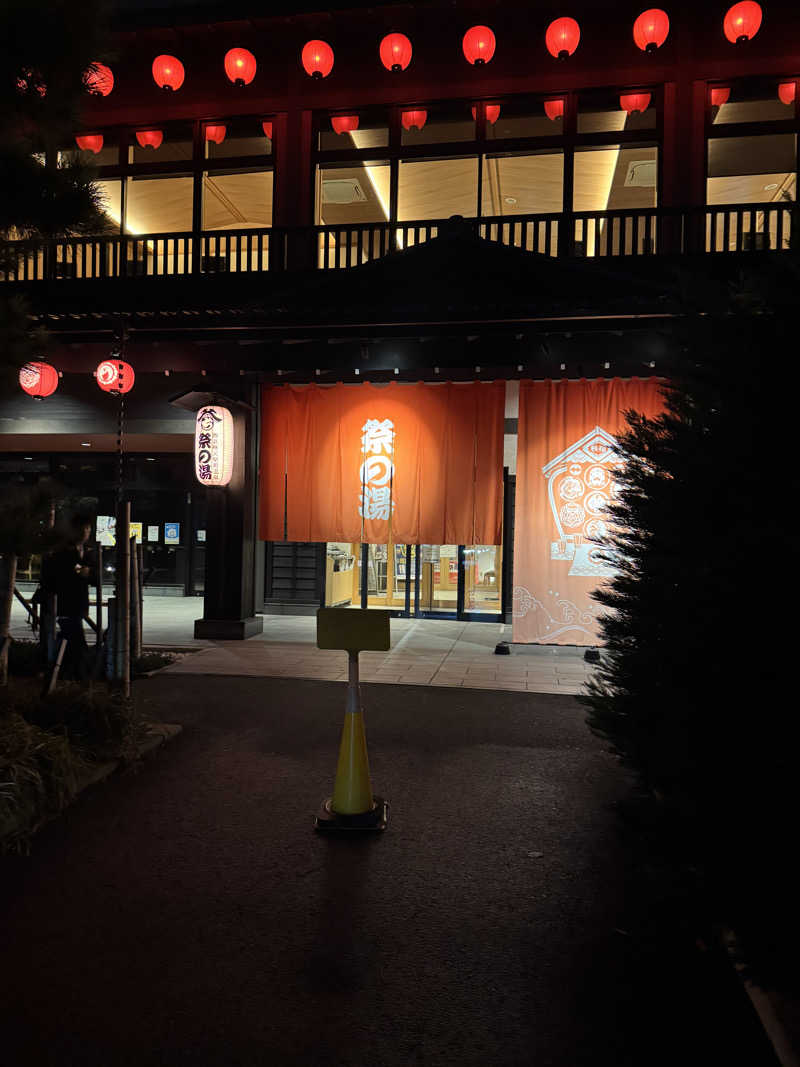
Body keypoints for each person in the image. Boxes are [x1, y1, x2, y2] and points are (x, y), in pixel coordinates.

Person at [40, 513, 96, 681]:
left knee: (70, 641)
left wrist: (88, 573)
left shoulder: (90, 552)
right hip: (64, 603)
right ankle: (80, 678)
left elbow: (98, 578)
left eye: (88, 529)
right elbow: (52, 577)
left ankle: (63, 674)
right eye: (82, 529)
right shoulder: (61, 552)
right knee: (77, 642)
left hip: (80, 604)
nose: (85, 532)